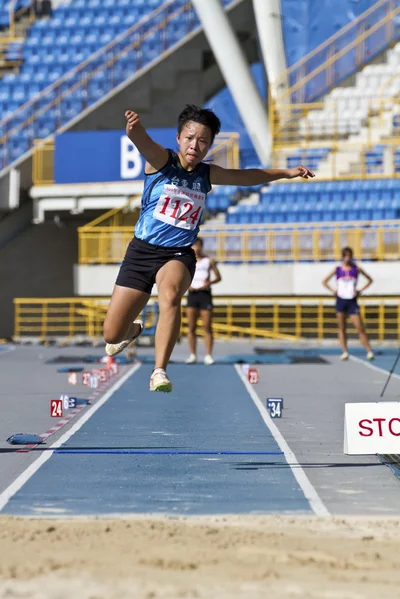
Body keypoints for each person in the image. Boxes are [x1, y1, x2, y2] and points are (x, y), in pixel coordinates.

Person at [103, 104, 315, 393]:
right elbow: (144, 143)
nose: (195, 145)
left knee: (170, 296)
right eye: (190, 138)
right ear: (179, 138)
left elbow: (247, 176)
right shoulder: (161, 162)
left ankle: (159, 371)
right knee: (111, 334)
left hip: (177, 254)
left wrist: (286, 172)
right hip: (141, 252)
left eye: (203, 141)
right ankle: (133, 330)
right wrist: (135, 130)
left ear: (209, 145)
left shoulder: (205, 175)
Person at [322, 246, 374, 361]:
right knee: (341, 327)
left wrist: (360, 290)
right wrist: (333, 291)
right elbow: (324, 281)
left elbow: (370, 279)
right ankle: (344, 351)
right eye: (345, 256)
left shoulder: (356, 269)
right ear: (342, 257)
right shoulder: (337, 269)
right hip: (341, 300)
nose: (347, 258)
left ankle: (369, 350)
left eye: (349, 256)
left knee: (359, 327)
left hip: (352, 300)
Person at [185, 237, 221, 365]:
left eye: (198, 245)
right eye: (194, 245)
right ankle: (192, 354)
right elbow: (182, 276)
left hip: (204, 294)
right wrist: (187, 286)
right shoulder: (188, 261)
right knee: (191, 327)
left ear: (201, 246)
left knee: (207, 326)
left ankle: (208, 355)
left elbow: (218, 277)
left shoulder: (208, 261)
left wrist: (208, 283)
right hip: (192, 294)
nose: (196, 248)